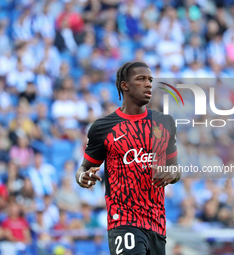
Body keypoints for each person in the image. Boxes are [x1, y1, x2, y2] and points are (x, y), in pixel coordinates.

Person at [76, 61, 180, 255]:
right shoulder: (103, 128)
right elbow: (83, 169)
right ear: (124, 85)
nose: (148, 84)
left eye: (150, 80)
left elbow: (176, 170)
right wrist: (83, 177)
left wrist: (171, 173)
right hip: (123, 220)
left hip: (156, 222)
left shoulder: (164, 123)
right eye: (141, 79)